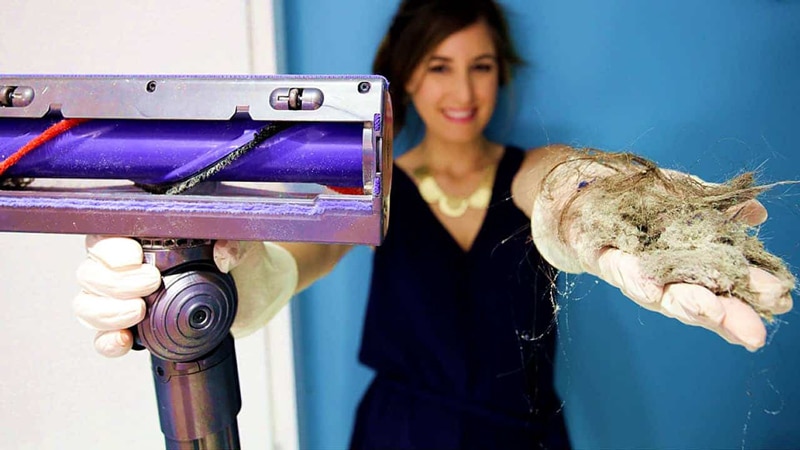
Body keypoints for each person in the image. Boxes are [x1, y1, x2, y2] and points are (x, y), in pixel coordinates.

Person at [72, 0, 794, 448]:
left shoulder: (527, 165)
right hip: (401, 435)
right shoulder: (367, 185)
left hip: (524, 438)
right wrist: (228, 273)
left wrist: (592, 200)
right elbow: (288, 266)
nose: (463, 88)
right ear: (408, 75)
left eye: (480, 67)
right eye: (440, 66)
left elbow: (557, 184)